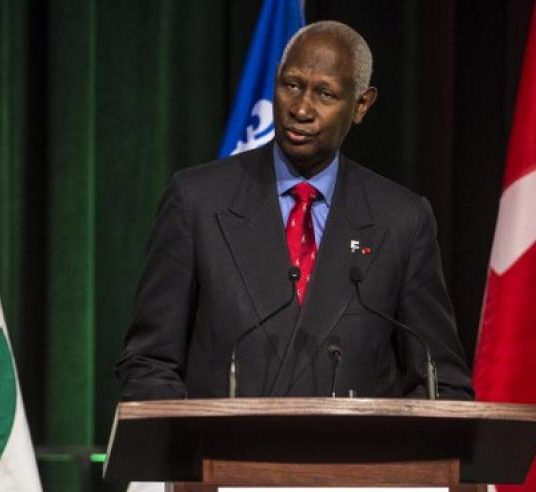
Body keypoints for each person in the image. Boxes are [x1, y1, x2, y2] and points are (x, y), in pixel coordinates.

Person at [117, 21, 472, 400]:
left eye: (325, 94)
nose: (302, 108)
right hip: (220, 456)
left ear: (361, 105)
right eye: (291, 85)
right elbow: (149, 364)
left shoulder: (402, 220)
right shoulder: (197, 201)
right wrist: (191, 450)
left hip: (353, 458)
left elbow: (441, 384)